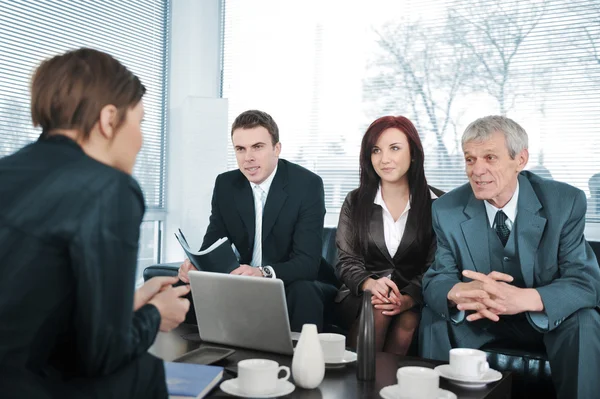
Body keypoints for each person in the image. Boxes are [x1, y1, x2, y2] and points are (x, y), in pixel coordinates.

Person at [0, 48, 190, 399]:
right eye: (140, 121)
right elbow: (102, 354)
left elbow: (27, 307)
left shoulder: (8, 170)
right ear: (108, 119)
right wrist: (154, 314)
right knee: (141, 370)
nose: (141, 139)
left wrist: (129, 303)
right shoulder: (110, 188)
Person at [419, 115, 600, 399]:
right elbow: (436, 279)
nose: (477, 170)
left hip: (544, 320)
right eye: (470, 159)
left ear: (521, 160)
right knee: (436, 315)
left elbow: (585, 282)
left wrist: (522, 299)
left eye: (490, 157)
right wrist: (458, 291)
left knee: (585, 320)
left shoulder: (565, 202)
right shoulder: (446, 209)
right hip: (480, 319)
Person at [178, 110, 337, 332]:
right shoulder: (226, 185)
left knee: (303, 292)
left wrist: (263, 273)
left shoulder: (306, 185)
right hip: (246, 279)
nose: (248, 158)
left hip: (297, 280)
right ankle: (196, 360)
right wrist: (196, 266)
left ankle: (298, 364)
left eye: (257, 147)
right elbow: (212, 245)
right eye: (240, 149)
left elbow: (307, 264)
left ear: (277, 149)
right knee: (184, 287)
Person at [334, 116, 443, 355]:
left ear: (413, 153)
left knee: (408, 321)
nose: (384, 159)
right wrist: (370, 284)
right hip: (360, 295)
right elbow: (346, 261)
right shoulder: (355, 201)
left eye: (394, 148)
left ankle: (384, 388)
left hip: (415, 296)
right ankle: (358, 382)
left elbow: (436, 266)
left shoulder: (439, 204)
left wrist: (408, 299)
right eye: (376, 150)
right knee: (379, 307)